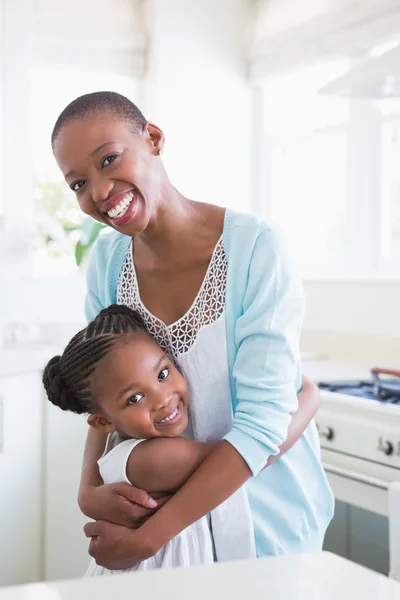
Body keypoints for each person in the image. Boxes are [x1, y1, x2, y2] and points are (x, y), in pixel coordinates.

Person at [51, 91, 334, 570]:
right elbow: (100, 389)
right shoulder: (106, 262)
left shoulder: (256, 249)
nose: (98, 192)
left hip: (265, 524)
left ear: (154, 140)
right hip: (171, 540)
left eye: (109, 159)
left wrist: (148, 538)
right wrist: (88, 489)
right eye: (79, 183)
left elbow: (262, 427)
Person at [42, 304, 257, 575]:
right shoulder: (160, 458)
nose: (163, 399)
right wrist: (309, 398)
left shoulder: (120, 445)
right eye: (135, 398)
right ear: (103, 422)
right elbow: (248, 451)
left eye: (162, 374)